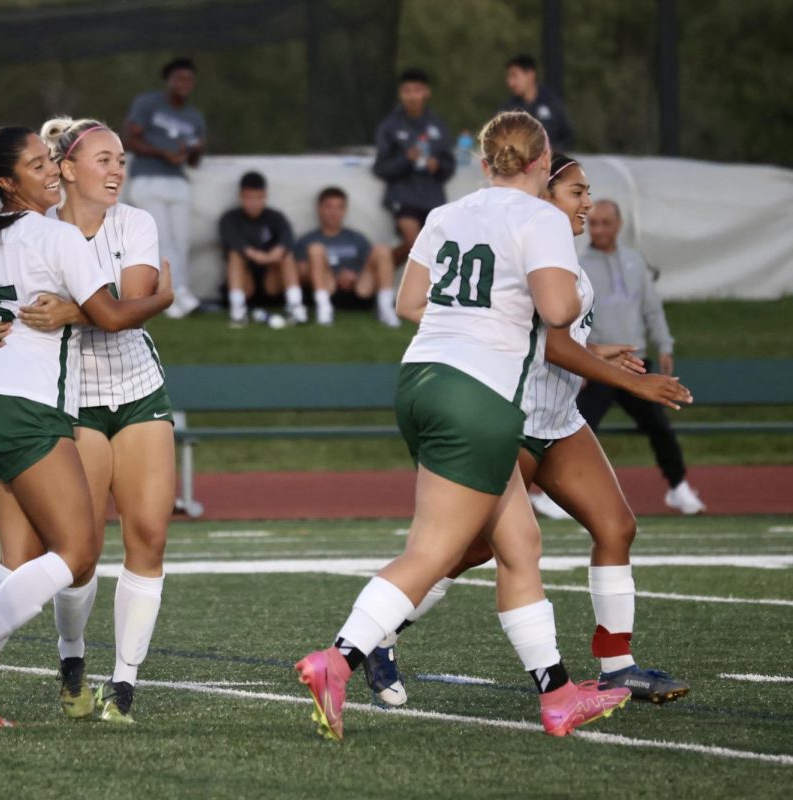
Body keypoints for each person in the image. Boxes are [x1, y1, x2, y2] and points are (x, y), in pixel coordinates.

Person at [295, 111, 631, 742]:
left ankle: (558, 695)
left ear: (483, 163)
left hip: (421, 379)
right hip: (478, 394)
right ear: (542, 159)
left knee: (520, 544)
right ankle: (337, 659)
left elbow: (407, 303)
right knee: (432, 552)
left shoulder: (447, 213)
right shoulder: (540, 219)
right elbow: (559, 307)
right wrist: (573, 296)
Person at [365, 155, 693, 711]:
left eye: (589, 192)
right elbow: (549, 342)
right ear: (543, 192)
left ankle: (617, 666)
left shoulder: (560, 249)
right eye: (576, 191)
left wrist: (597, 351)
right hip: (509, 419)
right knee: (465, 552)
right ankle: (377, 635)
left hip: (560, 420)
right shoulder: (527, 241)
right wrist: (632, 385)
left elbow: (556, 338)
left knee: (616, 527)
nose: (587, 202)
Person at [0, 126, 173, 724]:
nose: (48, 171)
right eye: (38, 164)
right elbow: (114, 314)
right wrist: (163, 298)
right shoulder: (55, 233)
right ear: (12, 182)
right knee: (78, 552)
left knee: (19, 559)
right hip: (31, 407)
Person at [577, 200, 706, 514]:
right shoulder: (578, 265)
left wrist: (664, 345)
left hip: (636, 363)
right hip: (599, 366)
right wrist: (580, 362)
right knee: (578, 428)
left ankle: (678, 487)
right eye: (593, 223)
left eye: (605, 223)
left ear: (618, 225)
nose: (599, 229)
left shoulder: (635, 262)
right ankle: (567, 495)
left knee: (659, 425)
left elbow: (651, 308)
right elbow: (573, 317)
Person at [124, 56, 206, 318]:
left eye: (189, 80)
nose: (184, 84)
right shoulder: (149, 103)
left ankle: (179, 292)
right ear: (168, 80)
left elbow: (194, 160)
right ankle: (172, 295)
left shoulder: (194, 117)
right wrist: (162, 153)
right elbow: (129, 138)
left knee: (181, 241)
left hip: (178, 181)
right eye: (179, 78)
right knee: (162, 240)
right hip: (148, 178)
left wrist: (193, 151)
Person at [373, 68, 456, 271]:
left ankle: (376, 272)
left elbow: (449, 165)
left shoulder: (438, 124)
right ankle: (380, 279)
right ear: (401, 93)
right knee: (414, 243)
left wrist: (438, 166)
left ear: (426, 92)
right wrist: (406, 160)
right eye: (407, 91)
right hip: (404, 195)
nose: (412, 96)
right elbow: (380, 168)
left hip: (432, 197)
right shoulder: (390, 126)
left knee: (434, 250)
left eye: (417, 90)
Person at [295, 186, 399, 327]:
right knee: (316, 249)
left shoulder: (357, 238)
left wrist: (353, 276)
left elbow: (371, 267)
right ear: (319, 208)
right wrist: (334, 275)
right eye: (329, 207)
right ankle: (324, 309)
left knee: (382, 250)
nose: (334, 213)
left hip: (359, 288)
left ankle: (386, 308)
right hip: (327, 286)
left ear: (345, 210)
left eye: (339, 207)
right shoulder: (307, 239)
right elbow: (300, 272)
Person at [219, 171, 305, 327]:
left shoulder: (276, 217)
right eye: (249, 197)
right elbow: (234, 242)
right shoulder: (230, 218)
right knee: (235, 255)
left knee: (287, 256)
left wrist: (273, 255)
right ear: (241, 196)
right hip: (246, 283)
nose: (253, 203)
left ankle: (295, 307)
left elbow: (288, 240)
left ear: (265, 196)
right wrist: (257, 255)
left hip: (271, 282)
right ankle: (238, 310)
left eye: (258, 197)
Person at [500, 54, 575, 152]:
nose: (510, 82)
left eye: (514, 76)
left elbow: (568, 138)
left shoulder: (552, 103)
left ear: (530, 74)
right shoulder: (508, 109)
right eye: (508, 77)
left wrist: (552, 152)